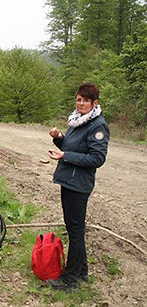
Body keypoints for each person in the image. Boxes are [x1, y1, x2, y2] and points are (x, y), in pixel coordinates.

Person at [47, 82, 109, 291]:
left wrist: (66, 155)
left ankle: (70, 279)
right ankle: (82, 272)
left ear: (95, 103)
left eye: (85, 100)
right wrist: (59, 139)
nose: (80, 103)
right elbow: (69, 147)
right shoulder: (78, 121)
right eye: (79, 99)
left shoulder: (97, 125)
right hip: (69, 180)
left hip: (79, 184)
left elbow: (97, 158)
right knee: (75, 229)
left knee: (75, 231)